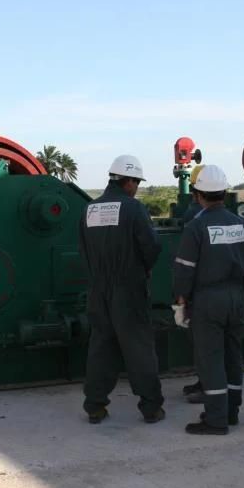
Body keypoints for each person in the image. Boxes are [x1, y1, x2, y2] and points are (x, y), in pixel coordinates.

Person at [79, 155, 165, 424]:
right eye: (137, 182)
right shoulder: (133, 209)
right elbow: (151, 247)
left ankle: (94, 406)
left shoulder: (89, 210)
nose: (137, 187)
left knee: (101, 345)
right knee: (138, 346)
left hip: (98, 289)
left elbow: (83, 250)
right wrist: (144, 270)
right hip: (128, 289)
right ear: (128, 181)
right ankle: (150, 407)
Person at [172, 165, 244, 435]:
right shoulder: (241, 224)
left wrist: (180, 302)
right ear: (223, 193)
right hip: (236, 298)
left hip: (208, 300)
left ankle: (216, 419)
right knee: (233, 356)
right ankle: (231, 411)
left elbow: (184, 269)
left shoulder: (196, 226)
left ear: (198, 195)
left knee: (210, 360)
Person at [181, 164, 206, 403]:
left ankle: (208, 388)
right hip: (229, 293)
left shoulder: (193, 217)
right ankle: (204, 383)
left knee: (204, 343)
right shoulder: (233, 220)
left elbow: (186, 262)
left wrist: (180, 295)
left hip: (203, 293)